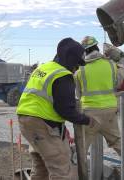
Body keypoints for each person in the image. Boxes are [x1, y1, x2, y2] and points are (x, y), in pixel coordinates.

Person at [16, 37, 92, 180]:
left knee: (41, 168)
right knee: (61, 168)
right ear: (70, 59)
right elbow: (65, 110)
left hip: (26, 120)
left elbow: (48, 101)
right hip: (42, 124)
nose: (76, 68)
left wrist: (60, 127)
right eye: (76, 64)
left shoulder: (44, 68)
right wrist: (87, 120)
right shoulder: (63, 75)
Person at [75, 36, 121, 155]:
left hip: (90, 113)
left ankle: (77, 173)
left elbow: (78, 94)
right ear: (97, 47)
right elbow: (118, 84)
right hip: (110, 110)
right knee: (118, 143)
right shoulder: (111, 64)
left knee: (82, 148)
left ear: (84, 51)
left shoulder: (81, 70)